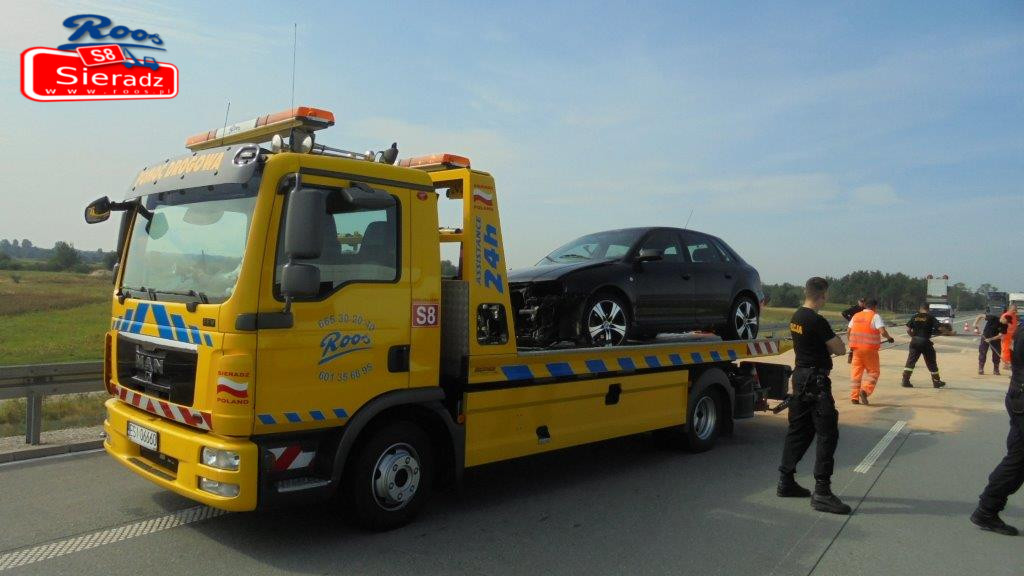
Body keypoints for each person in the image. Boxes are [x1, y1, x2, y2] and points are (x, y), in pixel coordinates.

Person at [777, 277, 852, 515]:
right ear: (823, 295)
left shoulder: (797, 316)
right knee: (827, 433)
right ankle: (822, 492)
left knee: (799, 430)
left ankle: (786, 480)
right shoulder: (817, 320)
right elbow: (840, 348)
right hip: (816, 381)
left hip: (800, 377)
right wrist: (833, 343)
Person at [971, 326, 1024, 535]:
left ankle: (987, 509)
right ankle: (986, 510)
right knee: (1017, 460)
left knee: (1018, 459)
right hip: (1021, 398)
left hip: (1018, 395)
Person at [848, 298, 895, 405]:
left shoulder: (856, 316)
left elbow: (848, 331)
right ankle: (865, 391)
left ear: (865, 305)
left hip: (856, 349)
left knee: (856, 373)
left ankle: (854, 397)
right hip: (870, 350)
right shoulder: (875, 316)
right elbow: (882, 331)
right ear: (875, 307)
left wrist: (851, 344)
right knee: (873, 372)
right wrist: (889, 338)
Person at [902, 303, 946, 388]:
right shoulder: (930, 317)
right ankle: (936, 381)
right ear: (928, 309)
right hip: (925, 342)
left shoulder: (914, 316)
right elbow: (940, 328)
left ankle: (905, 380)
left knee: (911, 361)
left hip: (914, 341)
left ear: (920, 308)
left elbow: (908, 329)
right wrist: (945, 332)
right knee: (931, 362)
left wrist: (913, 336)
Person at [973, 309, 1003, 375]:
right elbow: (980, 316)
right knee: (983, 352)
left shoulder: (1005, 324)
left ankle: (996, 369)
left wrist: (991, 339)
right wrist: (975, 323)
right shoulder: (993, 317)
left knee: (996, 353)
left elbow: (1000, 335)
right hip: (985, 336)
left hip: (995, 339)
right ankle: (981, 368)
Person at [841, 298, 866, 364]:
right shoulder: (854, 308)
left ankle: (861, 358)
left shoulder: (865, 309)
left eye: (864, 302)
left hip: (862, 327)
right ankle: (850, 358)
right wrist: (850, 319)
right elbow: (844, 313)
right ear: (858, 302)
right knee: (854, 343)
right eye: (861, 302)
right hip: (854, 327)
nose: (862, 303)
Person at [1000, 303, 1018, 371]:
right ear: (1010, 308)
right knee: (1005, 349)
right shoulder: (1006, 315)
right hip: (1006, 335)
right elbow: (1001, 325)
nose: (1015, 310)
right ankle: (1005, 364)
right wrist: (1002, 334)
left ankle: (1009, 363)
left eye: (1016, 309)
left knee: (1011, 349)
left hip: (1013, 335)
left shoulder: (1014, 315)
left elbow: (1014, 324)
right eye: (1014, 309)